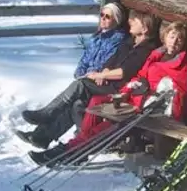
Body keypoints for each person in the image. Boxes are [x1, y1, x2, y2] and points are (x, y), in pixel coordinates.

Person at [29, 21, 187, 165]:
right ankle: (79, 148)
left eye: (179, 38)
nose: (174, 41)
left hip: (148, 110)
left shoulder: (184, 66)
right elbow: (140, 76)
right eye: (172, 36)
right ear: (166, 36)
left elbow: (180, 96)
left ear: (183, 43)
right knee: (96, 101)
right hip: (132, 98)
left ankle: (64, 152)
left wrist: (155, 99)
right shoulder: (156, 55)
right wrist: (130, 88)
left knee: (105, 128)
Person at [15, 10, 161, 149]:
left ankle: (47, 113)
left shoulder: (146, 49)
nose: (131, 22)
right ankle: (42, 137)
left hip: (118, 91)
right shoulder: (130, 42)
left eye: (135, 21)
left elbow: (124, 72)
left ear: (145, 28)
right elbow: (112, 60)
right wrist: (104, 71)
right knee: (76, 103)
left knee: (81, 85)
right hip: (108, 84)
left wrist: (101, 76)